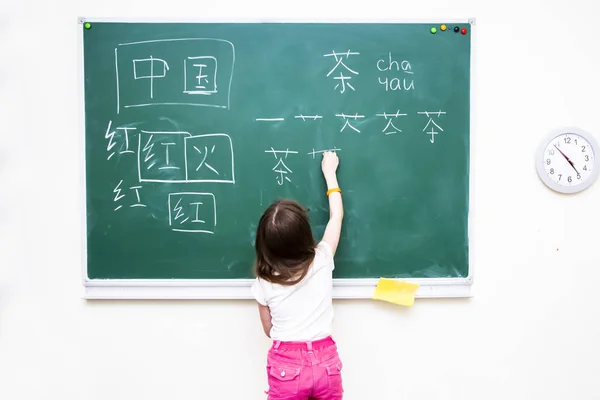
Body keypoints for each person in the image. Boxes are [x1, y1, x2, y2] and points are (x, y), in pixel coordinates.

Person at [251, 151, 344, 400]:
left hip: (287, 365)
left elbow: (268, 329)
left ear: (264, 243)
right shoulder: (322, 259)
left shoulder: (265, 280)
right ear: (305, 234)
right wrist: (330, 174)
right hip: (326, 362)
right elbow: (336, 217)